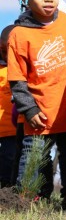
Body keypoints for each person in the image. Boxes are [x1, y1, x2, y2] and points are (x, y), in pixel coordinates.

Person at [8, 0, 66, 211]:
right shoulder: (19, 34)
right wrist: (29, 109)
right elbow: (17, 79)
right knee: (34, 160)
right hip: (39, 114)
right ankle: (26, 204)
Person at [0, 25, 17, 188]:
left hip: (13, 130)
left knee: (10, 160)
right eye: (4, 52)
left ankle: (6, 191)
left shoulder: (21, 70)